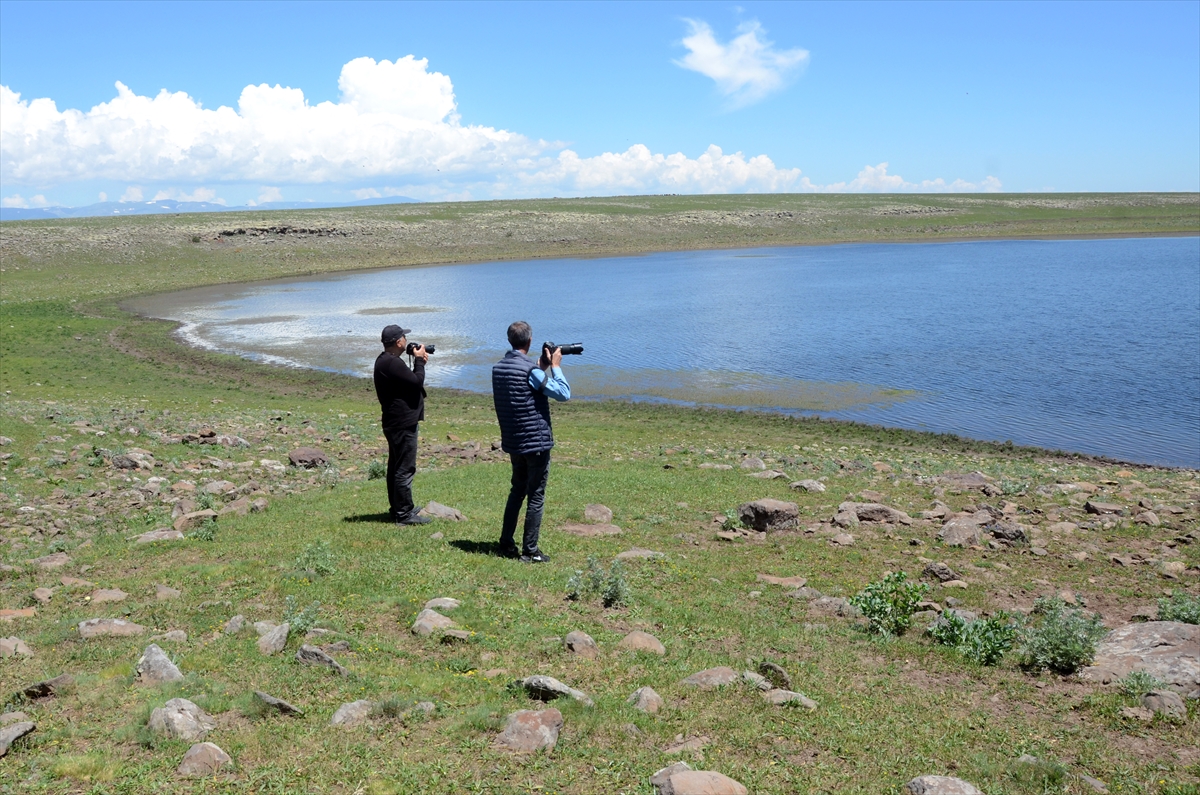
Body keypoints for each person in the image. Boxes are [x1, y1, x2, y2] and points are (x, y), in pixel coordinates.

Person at [492, 321, 571, 562]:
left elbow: (522, 382)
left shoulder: (499, 368)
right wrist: (555, 367)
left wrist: (541, 366)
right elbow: (563, 394)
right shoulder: (531, 371)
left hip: (514, 440)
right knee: (536, 494)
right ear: (529, 341)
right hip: (535, 442)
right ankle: (530, 551)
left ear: (510, 340)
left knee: (517, 490)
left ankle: (506, 543)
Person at [374, 324, 431, 525]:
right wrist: (419, 362)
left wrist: (416, 360)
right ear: (399, 342)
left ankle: (399, 508)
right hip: (401, 423)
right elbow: (417, 382)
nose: (406, 341)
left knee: (396, 466)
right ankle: (404, 514)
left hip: (394, 421)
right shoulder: (392, 363)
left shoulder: (385, 361)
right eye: (404, 339)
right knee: (405, 468)